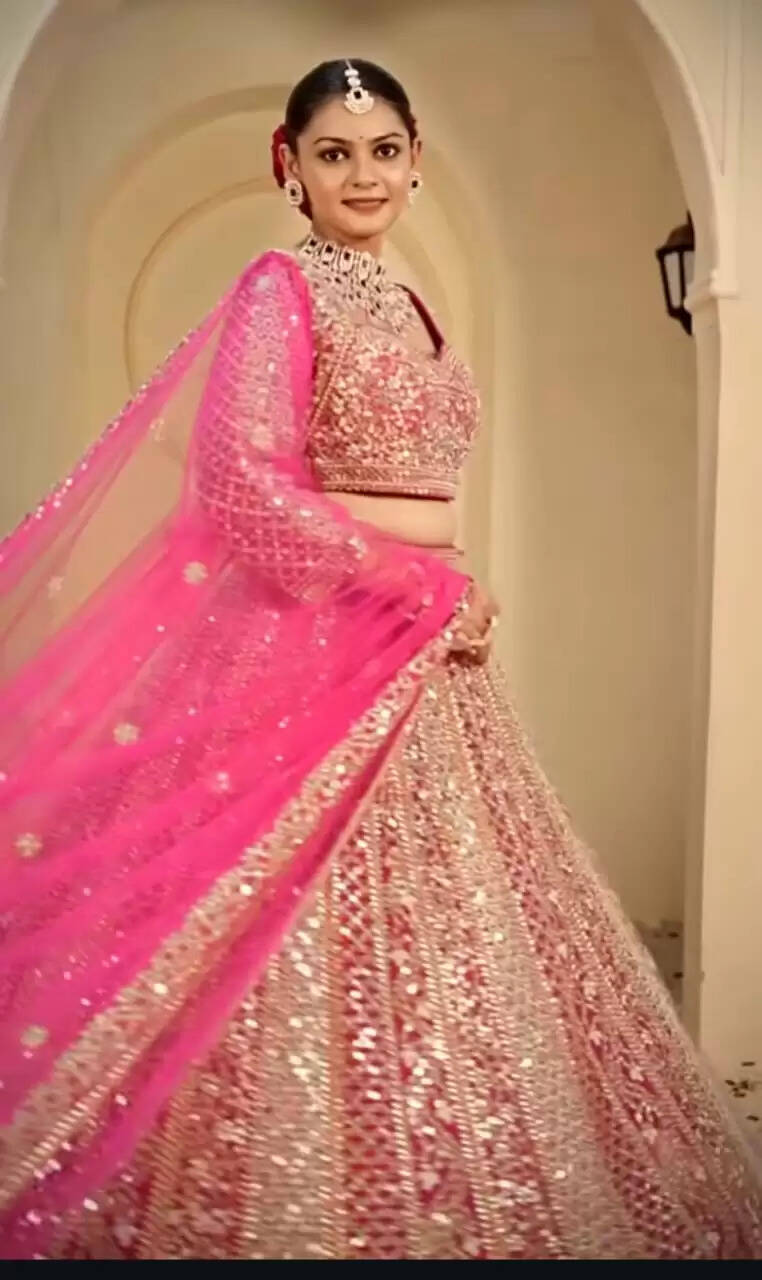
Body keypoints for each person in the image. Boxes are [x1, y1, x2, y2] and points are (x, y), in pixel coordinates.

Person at [0, 57, 760, 1262]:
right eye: (335, 153)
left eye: (385, 150)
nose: (363, 174)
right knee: (290, 933)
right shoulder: (281, 287)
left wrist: (445, 585)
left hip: (426, 652)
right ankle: (273, 1190)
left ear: (415, 162)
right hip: (313, 646)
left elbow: (416, 489)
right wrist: (418, 583)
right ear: (290, 167)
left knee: (444, 938)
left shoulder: (413, 302)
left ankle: (427, 1170)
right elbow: (241, 484)